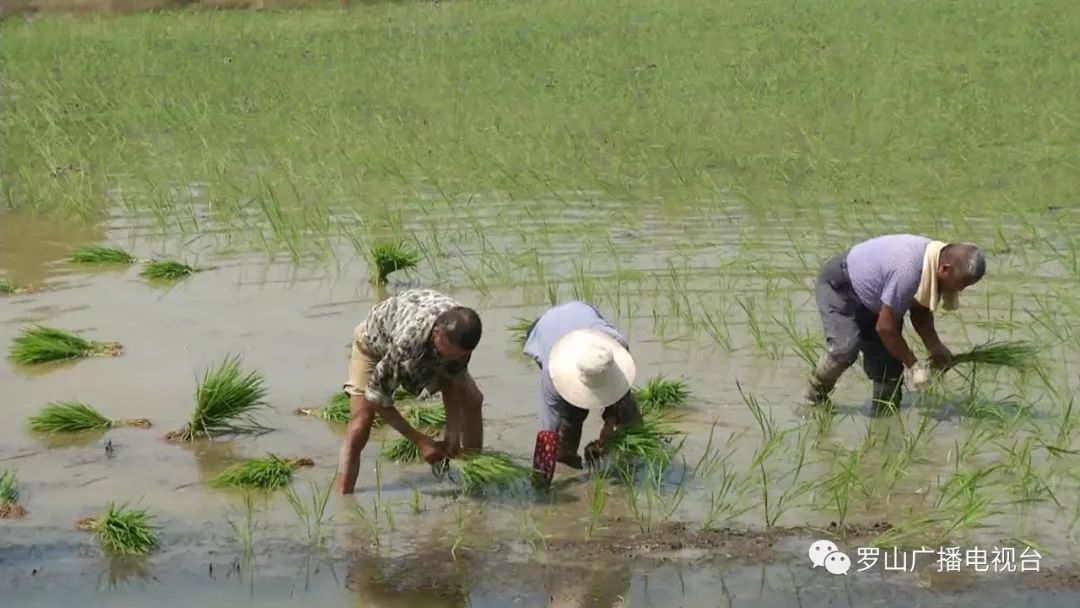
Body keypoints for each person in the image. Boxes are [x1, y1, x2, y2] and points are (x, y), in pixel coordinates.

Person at [804, 234, 987, 411]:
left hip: (877, 300)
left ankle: (885, 419)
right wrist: (914, 366)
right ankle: (813, 399)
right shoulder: (910, 270)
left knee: (889, 371)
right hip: (842, 284)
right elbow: (885, 327)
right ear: (945, 269)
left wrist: (936, 348)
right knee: (845, 348)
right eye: (962, 283)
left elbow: (920, 312)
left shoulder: (935, 261)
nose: (961, 289)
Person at [336, 288, 484, 494]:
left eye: (460, 355)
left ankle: (473, 477)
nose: (455, 359)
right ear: (437, 335)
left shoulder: (461, 338)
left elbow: (452, 379)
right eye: (449, 354)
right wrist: (421, 441)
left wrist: (453, 431)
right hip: (372, 343)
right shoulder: (408, 343)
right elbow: (378, 397)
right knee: (360, 422)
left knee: (473, 399)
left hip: (420, 342)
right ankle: (344, 497)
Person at [523, 301, 641, 488]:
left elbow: (619, 389)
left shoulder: (616, 346)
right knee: (572, 412)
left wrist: (610, 425)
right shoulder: (553, 374)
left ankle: (637, 462)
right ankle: (567, 459)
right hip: (545, 328)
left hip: (581, 311)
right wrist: (541, 484)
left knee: (628, 411)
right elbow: (548, 431)